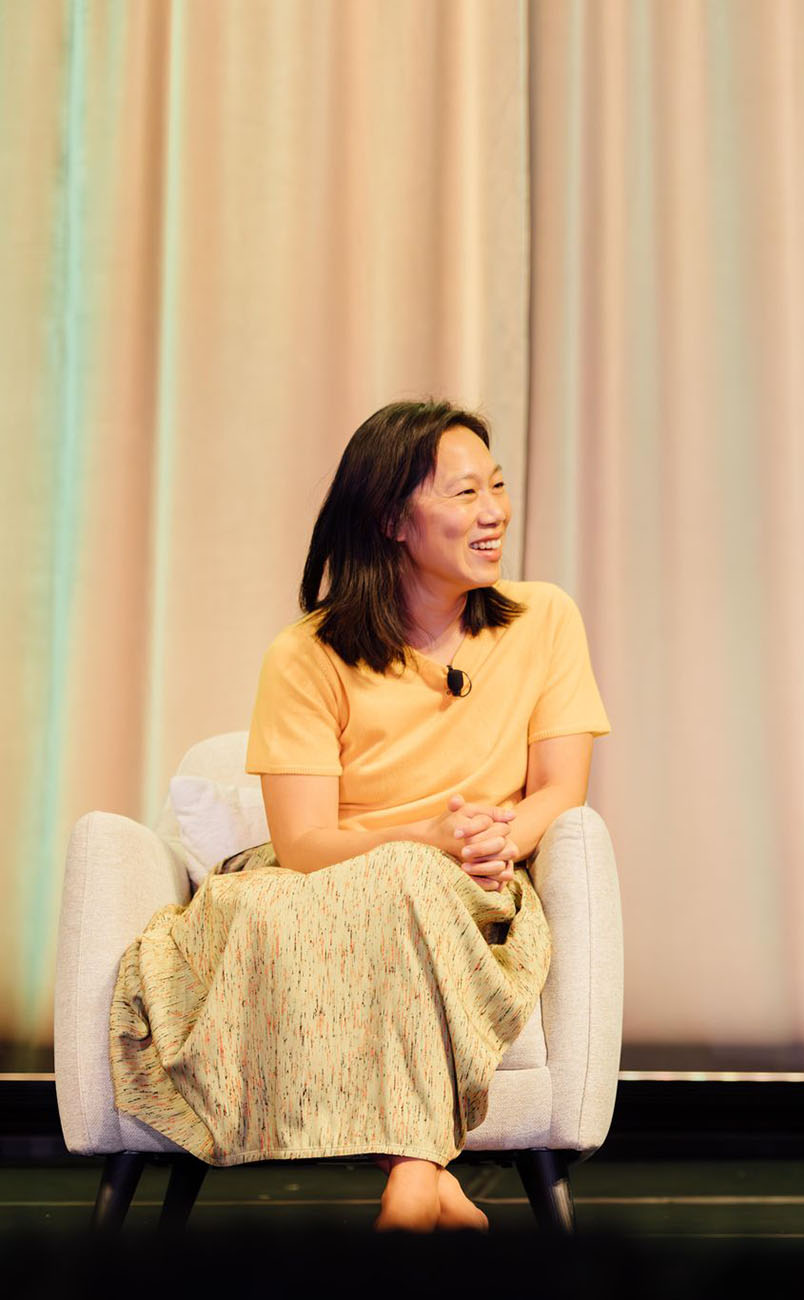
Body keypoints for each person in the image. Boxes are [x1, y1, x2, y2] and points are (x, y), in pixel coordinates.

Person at [110, 400, 610, 1231]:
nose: (493, 513)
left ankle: (416, 1182)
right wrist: (423, 840)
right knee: (272, 901)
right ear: (391, 520)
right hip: (326, 884)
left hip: (471, 895)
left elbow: (560, 789)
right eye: (462, 494)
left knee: (415, 879)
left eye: (496, 486)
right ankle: (420, 1177)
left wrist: (494, 845)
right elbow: (303, 844)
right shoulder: (305, 654)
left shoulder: (543, 620)